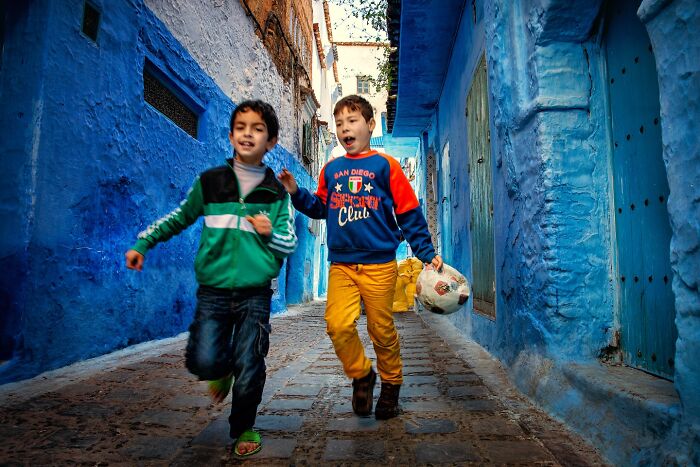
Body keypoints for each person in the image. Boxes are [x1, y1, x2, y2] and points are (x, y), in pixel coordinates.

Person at [125, 100, 297, 457]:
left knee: (250, 361)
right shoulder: (210, 182)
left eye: (257, 128)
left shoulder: (276, 193)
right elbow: (179, 217)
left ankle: (244, 428)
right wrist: (144, 242)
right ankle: (221, 371)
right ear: (232, 135)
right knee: (203, 360)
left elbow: (289, 242)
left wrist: (268, 233)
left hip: (255, 293)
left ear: (272, 141)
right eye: (241, 127)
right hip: (213, 291)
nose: (248, 134)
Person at [278, 94, 442, 420]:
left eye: (351, 121)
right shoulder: (331, 170)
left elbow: (409, 213)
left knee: (381, 330)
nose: (343, 128)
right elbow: (320, 208)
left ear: (369, 125)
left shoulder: (387, 166)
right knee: (337, 324)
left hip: (380, 265)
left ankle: (392, 384)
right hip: (342, 265)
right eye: (339, 123)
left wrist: (426, 252)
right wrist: (297, 192)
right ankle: (361, 374)